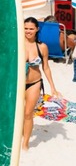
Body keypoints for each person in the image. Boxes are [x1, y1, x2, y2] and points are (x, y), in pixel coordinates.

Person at [22, 17, 60, 150]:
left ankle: (25, 143)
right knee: (19, 113)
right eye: (25, 28)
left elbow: (46, 67)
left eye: (31, 28)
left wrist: (53, 87)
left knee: (28, 113)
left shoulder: (42, 47)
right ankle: (21, 133)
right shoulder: (17, 44)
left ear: (37, 29)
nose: (28, 31)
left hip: (34, 83)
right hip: (18, 84)